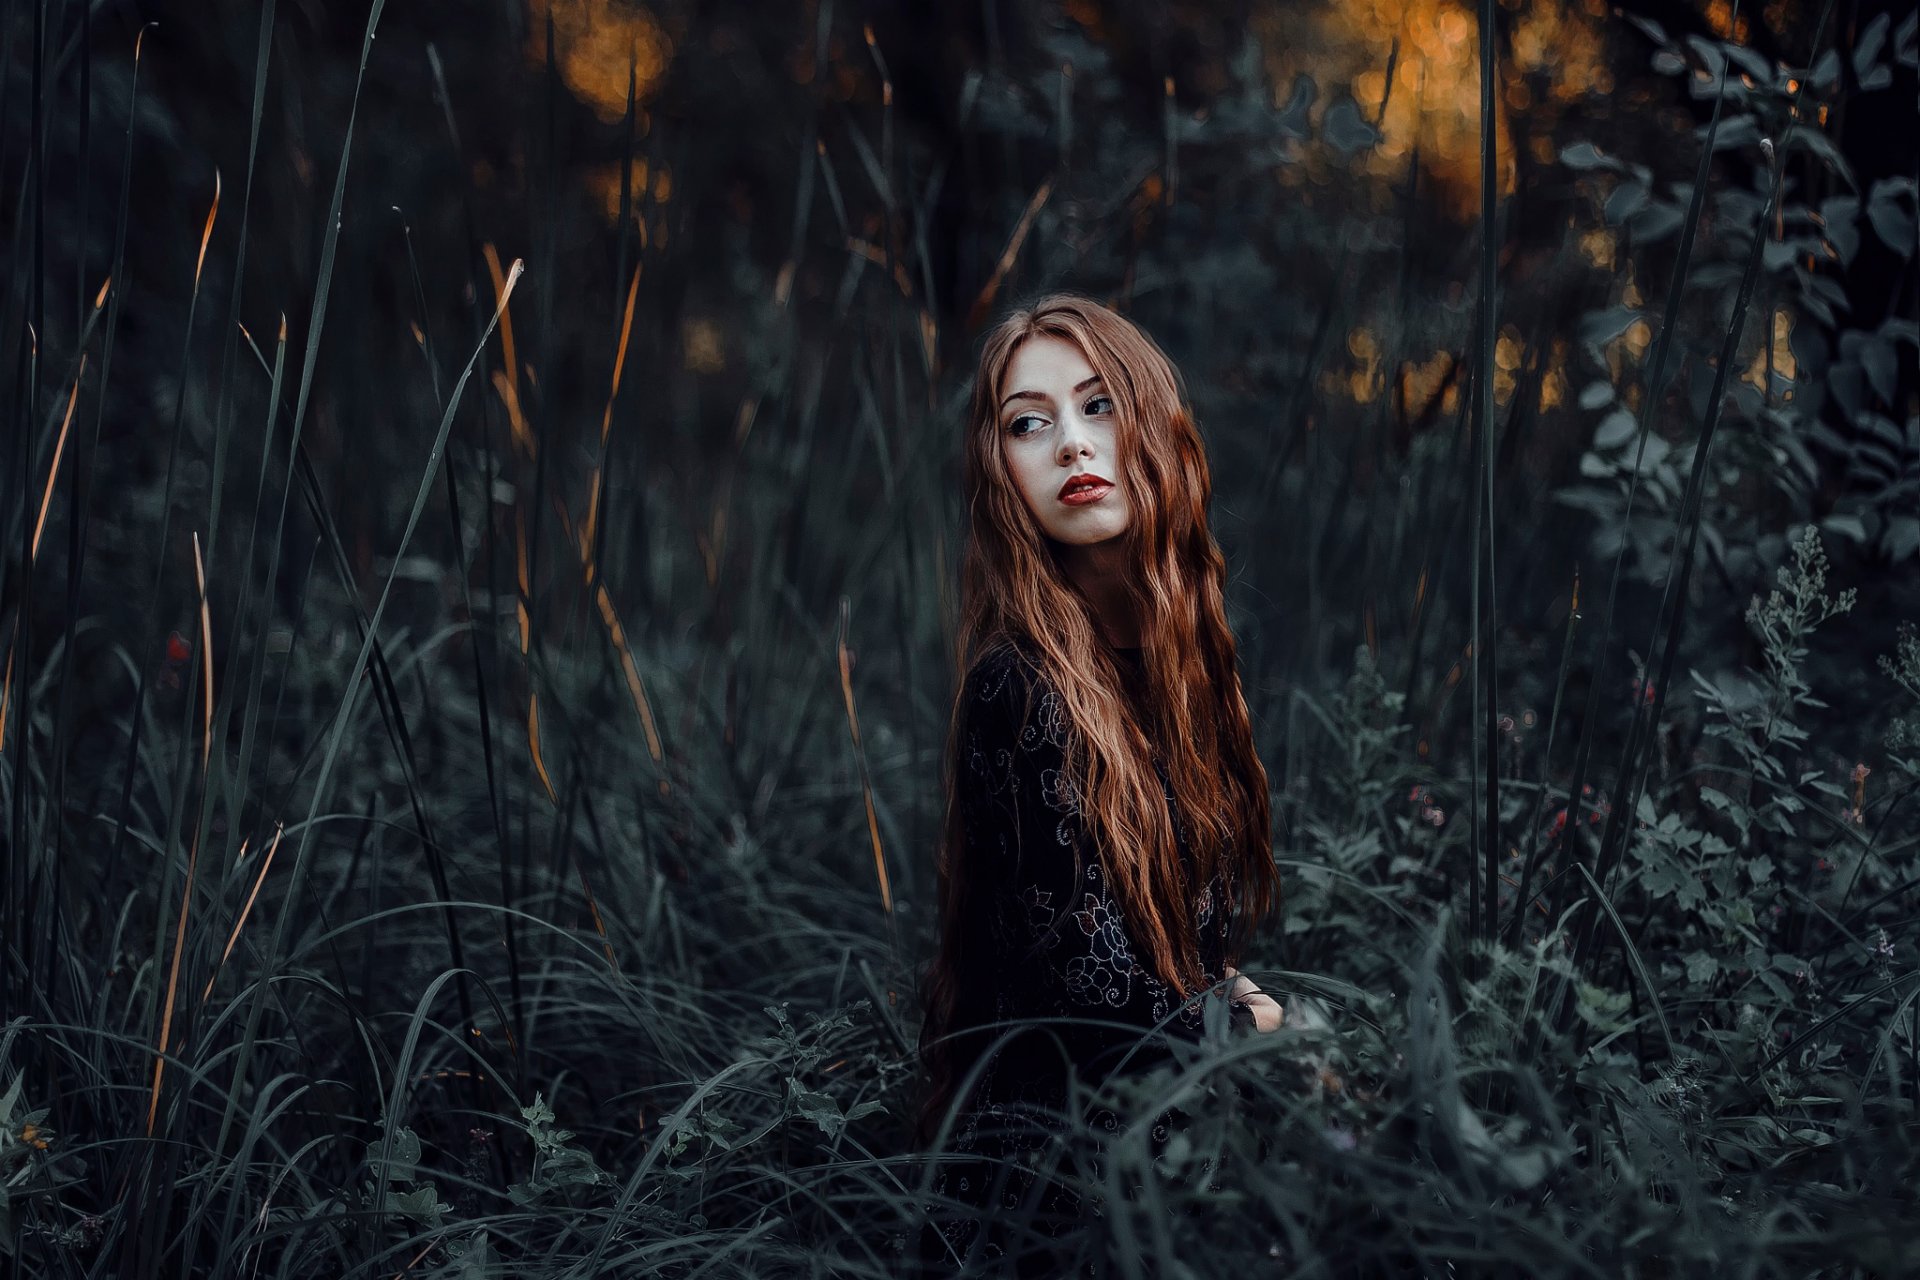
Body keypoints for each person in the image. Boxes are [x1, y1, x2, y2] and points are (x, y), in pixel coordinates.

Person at [914, 294, 1283, 1276]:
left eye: (1097, 405)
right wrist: (1260, 1023)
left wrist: (1228, 990)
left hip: (1158, 1146)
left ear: (1155, 426)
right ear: (1003, 474)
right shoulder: (1022, 683)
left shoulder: (1184, 661)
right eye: (1029, 422)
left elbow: (1172, 947)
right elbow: (1093, 1001)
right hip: (1052, 1190)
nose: (1071, 444)